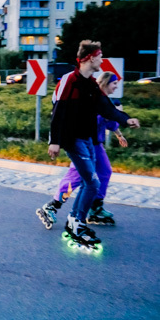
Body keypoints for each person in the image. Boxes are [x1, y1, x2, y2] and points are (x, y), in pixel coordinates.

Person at [47, 40, 140, 251]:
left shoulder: (91, 85)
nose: (101, 60)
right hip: (74, 140)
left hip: (89, 139)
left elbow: (107, 108)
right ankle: (75, 221)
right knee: (92, 182)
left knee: (89, 182)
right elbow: (58, 111)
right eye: (99, 56)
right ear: (90, 58)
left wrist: (126, 120)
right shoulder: (69, 81)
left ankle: (75, 220)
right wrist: (55, 141)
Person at [37, 71, 128, 228]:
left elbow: (111, 121)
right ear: (106, 83)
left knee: (105, 172)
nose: (116, 87)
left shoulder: (107, 102)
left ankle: (95, 206)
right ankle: (52, 206)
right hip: (83, 144)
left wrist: (119, 135)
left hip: (97, 145)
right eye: (114, 84)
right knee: (77, 177)